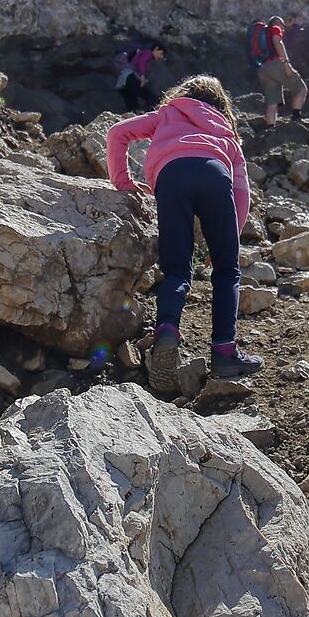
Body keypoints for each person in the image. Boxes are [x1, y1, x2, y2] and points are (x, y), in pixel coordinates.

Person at [105, 75, 264, 388]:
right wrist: (227, 239)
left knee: (176, 269)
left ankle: (166, 330)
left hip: (170, 176)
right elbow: (242, 192)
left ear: (182, 95)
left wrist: (122, 183)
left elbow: (117, 133)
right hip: (214, 173)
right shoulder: (226, 132)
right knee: (226, 272)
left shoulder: (167, 114)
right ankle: (224, 353)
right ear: (221, 105)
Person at [247, 16, 307, 126]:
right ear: (278, 23)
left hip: (263, 70)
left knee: (272, 103)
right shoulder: (275, 28)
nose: (283, 29)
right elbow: (277, 41)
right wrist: (286, 62)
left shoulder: (260, 35)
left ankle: (270, 128)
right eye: (282, 26)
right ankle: (296, 117)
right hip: (276, 65)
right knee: (301, 89)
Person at [112, 40, 166, 110]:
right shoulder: (147, 53)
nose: (161, 57)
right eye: (161, 54)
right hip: (130, 78)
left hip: (123, 81)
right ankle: (153, 113)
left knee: (132, 104)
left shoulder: (140, 54)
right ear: (156, 49)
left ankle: (132, 116)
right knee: (152, 97)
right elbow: (142, 62)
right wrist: (142, 76)